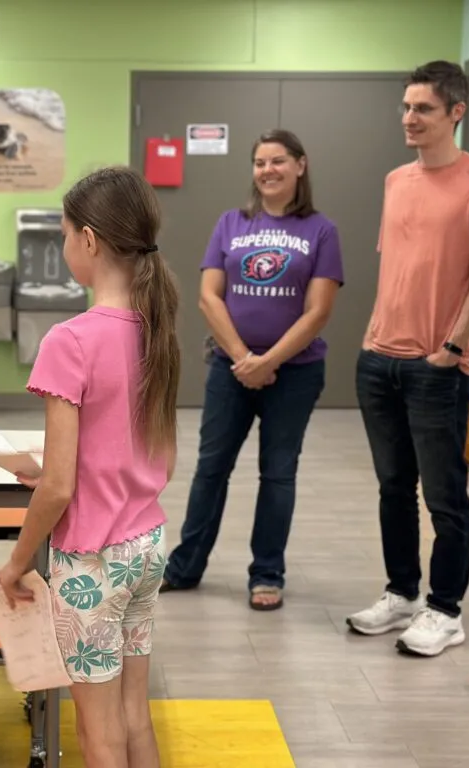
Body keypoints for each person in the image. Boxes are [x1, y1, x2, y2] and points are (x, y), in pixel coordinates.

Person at [0, 166, 180, 768]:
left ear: (90, 240)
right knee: (133, 718)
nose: (65, 244)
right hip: (146, 544)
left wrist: (16, 563)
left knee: (97, 735)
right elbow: (136, 443)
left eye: (66, 233)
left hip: (92, 563)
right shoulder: (156, 328)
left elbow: (59, 486)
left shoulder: (69, 340)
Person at [346, 60, 469, 657]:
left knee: (445, 496)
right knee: (394, 487)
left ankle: (446, 609)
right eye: (407, 108)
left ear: (456, 113)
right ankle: (402, 593)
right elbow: (398, 266)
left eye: (424, 109)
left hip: (437, 366)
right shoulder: (396, 180)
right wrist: (371, 339)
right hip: (379, 359)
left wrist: (451, 346)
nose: (410, 119)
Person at [158, 129, 343, 610]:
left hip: (296, 373)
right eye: (260, 162)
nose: (268, 170)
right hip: (230, 369)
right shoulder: (231, 223)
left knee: (278, 474)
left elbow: (318, 310)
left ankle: (267, 574)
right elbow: (207, 296)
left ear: (300, 166)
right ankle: (185, 567)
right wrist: (244, 358)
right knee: (210, 471)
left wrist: (270, 361)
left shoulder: (321, 230)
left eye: (278, 161)